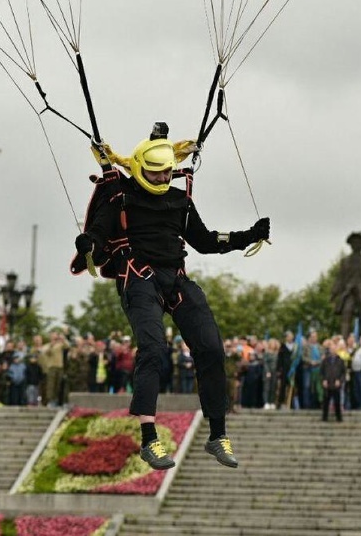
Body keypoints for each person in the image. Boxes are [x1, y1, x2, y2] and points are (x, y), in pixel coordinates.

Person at [71, 126, 270, 470]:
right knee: (154, 350)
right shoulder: (120, 195)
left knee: (210, 347)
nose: (163, 176)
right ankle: (149, 439)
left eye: (166, 170)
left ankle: (217, 434)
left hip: (176, 279)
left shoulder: (180, 200)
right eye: (155, 171)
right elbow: (99, 232)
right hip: (138, 278)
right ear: (139, 168)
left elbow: (206, 241)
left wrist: (248, 235)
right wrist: (88, 243)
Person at [320, 340, 346, 422]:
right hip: (327, 383)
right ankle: (324, 417)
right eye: (332, 349)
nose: (333, 350)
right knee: (326, 402)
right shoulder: (325, 360)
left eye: (335, 349)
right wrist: (324, 380)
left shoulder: (340, 360)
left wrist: (340, 381)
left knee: (337, 402)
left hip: (336, 384)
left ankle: (339, 417)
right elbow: (322, 372)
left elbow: (343, 373)